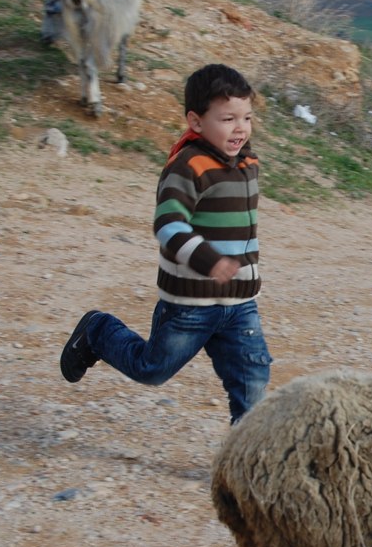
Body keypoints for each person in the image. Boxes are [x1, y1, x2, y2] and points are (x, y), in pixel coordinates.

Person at [60, 63, 272, 424]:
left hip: (240, 304)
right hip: (190, 304)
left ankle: (244, 465)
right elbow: (168, 225)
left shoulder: (247, 161)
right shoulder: (188, 166)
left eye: (247, 118)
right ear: (196, 121)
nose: (240, 128)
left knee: (252, 381)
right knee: (151, 369)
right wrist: (209, 260)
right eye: (228, 119)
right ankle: (98, 330)